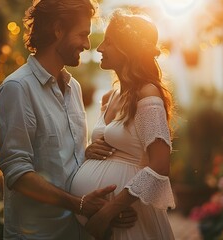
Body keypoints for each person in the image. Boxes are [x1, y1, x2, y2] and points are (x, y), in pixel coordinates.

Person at [0, 0, 128, 239]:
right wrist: (79, 204)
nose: (87, 44)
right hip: (39, 234)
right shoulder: (17, 89)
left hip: (78, 231)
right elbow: (18, 173)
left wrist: (110, 206)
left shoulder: (73, 87)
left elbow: (66, 158)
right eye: (82, 34)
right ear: (58, 29)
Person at [70, 10, 176, 240]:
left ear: (127, 48)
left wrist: (109, 210)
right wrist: (88, 151)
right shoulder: (110, 97)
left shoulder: (146, 94)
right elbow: (113, 149)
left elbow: (160, 164)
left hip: (130, 219)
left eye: (108, 42)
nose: (99, 48)